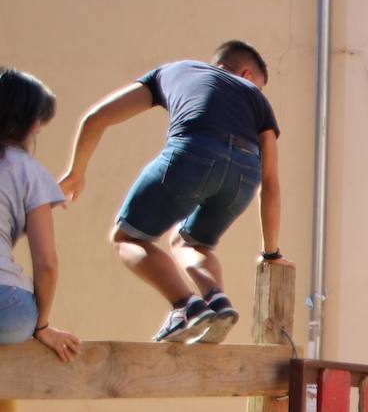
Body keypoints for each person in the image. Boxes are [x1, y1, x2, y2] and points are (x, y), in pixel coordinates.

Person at [60, 41, 284, 343]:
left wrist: (76, 172)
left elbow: (96, 118)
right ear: (246, 74)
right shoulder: (254, 97)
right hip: (245, 174)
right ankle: (216, 304)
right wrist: (271, 252)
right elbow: (270, 181)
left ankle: (186, 306)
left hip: (193, 152)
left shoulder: (174, 71)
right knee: (193, 243)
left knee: (127, 237)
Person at [0, 68, 82, 412]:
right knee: (6, 364)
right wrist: (43, 325)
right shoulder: (28, 171)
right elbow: (46, 262)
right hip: (6, 306)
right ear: (28, 123)